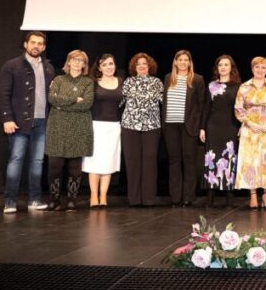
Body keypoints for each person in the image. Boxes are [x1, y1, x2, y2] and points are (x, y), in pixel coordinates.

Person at [0, 31, 56, 213]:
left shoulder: (48, 68)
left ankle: (35, 200)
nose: (36, 46)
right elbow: (3, 94)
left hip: (41, 121)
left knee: (37, 161)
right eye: (33, 42)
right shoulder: (12, 65)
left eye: (40, 43)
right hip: (19, 122)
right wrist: (7, 118)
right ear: (25, 44)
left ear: (44, 47)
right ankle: (10, 202)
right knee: (16, 160)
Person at [45, 50, 94, 211]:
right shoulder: (58, 79)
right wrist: (74, 99)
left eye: (81, 60)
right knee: (54, 167)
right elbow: (52, 99)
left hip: (79, 128)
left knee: (74, 168)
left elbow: (86, 104)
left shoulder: (88, 82)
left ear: (84, 65)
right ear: (69, 62)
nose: (77, 62)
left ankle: (72, 200)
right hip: (57, 128)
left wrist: (62, 105)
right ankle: (54, 200)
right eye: (74, 59)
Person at [235, 56, 266, 210]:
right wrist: (249, 123)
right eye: (257, 67)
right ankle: (253, 196)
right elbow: (238, 108)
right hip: (250, 130)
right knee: (251, 162)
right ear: (252, 69)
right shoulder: (244, 87)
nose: (260, 70)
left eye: (263, 67)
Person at [163, 50, 207, 207]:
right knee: (174, 161)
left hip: (189, 126)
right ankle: (175, 197)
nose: (182, 62)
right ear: (175, 62)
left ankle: (188, 197)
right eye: (180, 60)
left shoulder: (197, 79)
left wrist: (201, 127)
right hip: (170, 125)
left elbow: (202, 106)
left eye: (185, 60)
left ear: (190, 63)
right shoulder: (168, 78)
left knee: (189, 161)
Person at [121, 53, 164, 207]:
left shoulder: (157, 82)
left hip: (151, 126)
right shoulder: (128, 82)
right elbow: (120, 103)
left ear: (149, 66)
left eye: (144, 63)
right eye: (138, 64)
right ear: (134, 67)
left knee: (150, 161)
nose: (141, 66)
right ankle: (134, 199)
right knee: (132, 162)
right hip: (130, 125)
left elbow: (163, 102)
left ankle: (148, 199)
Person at [82, 54, 123, 209]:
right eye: (104, 64)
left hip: (113, 127)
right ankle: (93, 195)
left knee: (108, 161)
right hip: (96, 125)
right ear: (99, 67)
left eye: (111, 64)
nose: (109, 67)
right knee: (94, 161)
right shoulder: (93, 83)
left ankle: (103, 196)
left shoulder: (120, 82)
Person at [201, 55, 241, 208]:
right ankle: (210, 197)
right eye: (220, 65)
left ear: (231, 68)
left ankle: (229, 198)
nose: (223, 67)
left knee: (229, 159)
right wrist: (202, 128)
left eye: (226, 65)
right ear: (217, 68)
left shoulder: (238, 87)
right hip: (213, 127)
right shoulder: (211, 85)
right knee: (211, 160)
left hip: (231, 127)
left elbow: (241, 109)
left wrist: (241, 126)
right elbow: (206, 109)